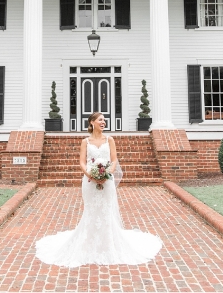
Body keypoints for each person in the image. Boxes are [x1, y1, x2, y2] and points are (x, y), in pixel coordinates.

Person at [34, 111, 162, 267]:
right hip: (89, 181)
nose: (103, 122)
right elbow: (82, 162)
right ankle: (88, 245)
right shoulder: (85, 142)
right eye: (100, 120)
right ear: (92, 122)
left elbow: (114, 161)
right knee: (91, 211)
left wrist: (107, 173)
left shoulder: (110, 140)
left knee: (106, 211)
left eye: (104, 120)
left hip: (107, 181)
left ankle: (108, 245)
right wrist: (91, 174)